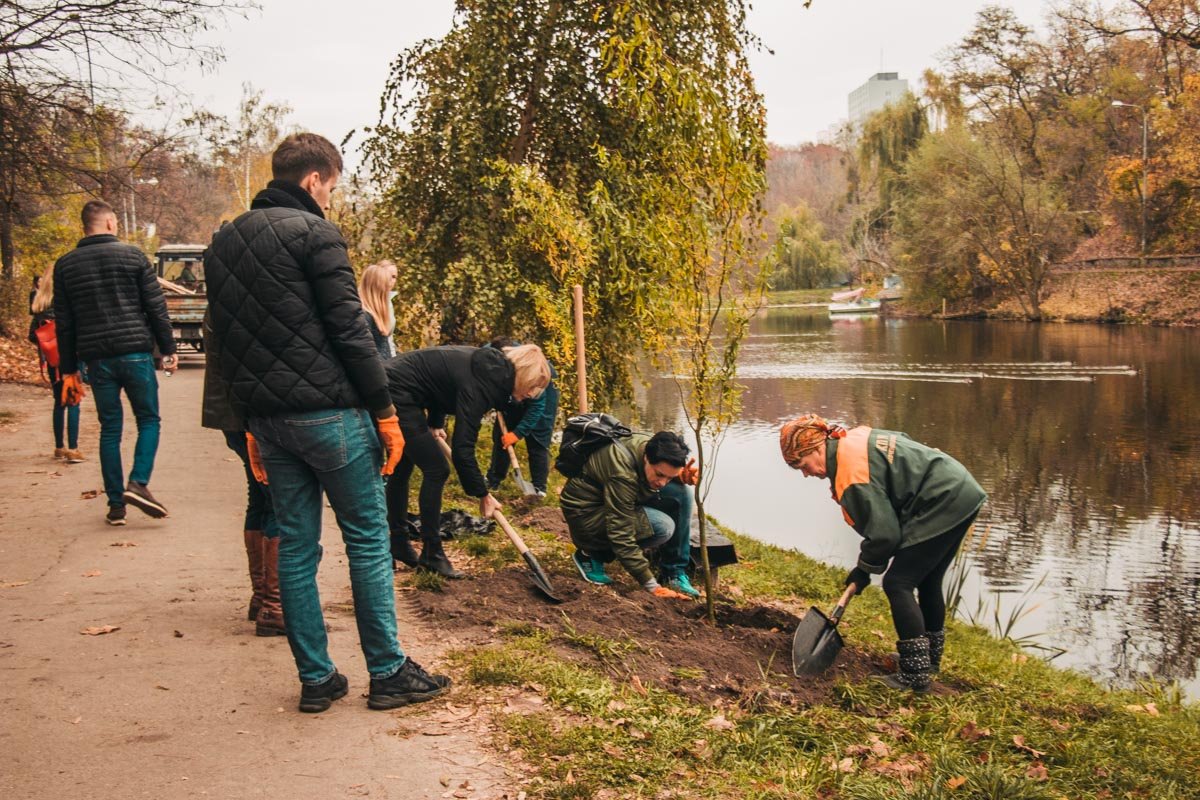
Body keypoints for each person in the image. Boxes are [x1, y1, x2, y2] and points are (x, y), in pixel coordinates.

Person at [204, 132, 449, 713]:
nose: (332, 201)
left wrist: (245, 427)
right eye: (333, 188)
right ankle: (388, 673)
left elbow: (225, 343)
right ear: (314, 179)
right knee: (366, 541)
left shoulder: (224, 242)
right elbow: (350, 333)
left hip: (269, 420)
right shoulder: (315, 234)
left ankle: (317, 680)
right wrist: (387, 414)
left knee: (295, 547)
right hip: (331, 415)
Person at [779, 413, 987, 693]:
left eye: (803, 465)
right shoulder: (850, 440)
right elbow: (902, 447)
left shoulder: (851, 476)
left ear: (817, 448)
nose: (807, 474)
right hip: (961, 489)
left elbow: (886, 536)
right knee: (927, 580)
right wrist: (866, 566)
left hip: (942, 498)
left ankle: (915, 675)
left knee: (898, 583)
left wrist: (863, 570)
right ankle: (928, 661)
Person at [53, 199, 176, 526]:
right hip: (135, 353)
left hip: (97, 359)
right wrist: (167, 348)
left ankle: (115, 505)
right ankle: (138, 483)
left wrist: (68, 370)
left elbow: (64, 323)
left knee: (111, 427)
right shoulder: (133, 256)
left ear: (84, 226)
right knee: (149, 419)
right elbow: (156, 307)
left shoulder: (66, 266)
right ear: (109, 223)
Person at [383, 343, 551, 578]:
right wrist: (483, 494)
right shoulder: (483, 385)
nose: (532, 394)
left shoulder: (488, 369)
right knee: (437, 469)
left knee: (403, 467)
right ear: (522, 376)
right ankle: (432, 553)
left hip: (398, 387)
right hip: (395, 392)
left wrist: (435, 422)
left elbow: (440, 385)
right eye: (533, 386)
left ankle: (398, 542)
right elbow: (463, 449)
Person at [200, 316, 285, 637]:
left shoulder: (224, 291)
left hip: (232, 413)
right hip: (252, 414)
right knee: (277, 499)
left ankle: (262, 598)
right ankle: (275, 606)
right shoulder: (247, 295)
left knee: (260, 495)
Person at [560, 429, 700, 599]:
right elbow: (621, 533)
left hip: (610, 495)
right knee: (662, 526)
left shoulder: (652, 447)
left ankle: (674, 572)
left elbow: (657, 476)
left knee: (681, 493)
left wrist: (678, 477)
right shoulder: (622, 474)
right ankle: (592, 553)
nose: (663, 483)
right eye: (660, 475)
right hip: (586, 513)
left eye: (668, 477)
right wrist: (652, 587)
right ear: (647, 458)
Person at [485, 338, 559, 498]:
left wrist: (518, 433)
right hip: (514, 391)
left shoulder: (535, 374)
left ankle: (539, 489)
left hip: (542, 393)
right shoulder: (489, 356)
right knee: (502, 438)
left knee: (538, 440)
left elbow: (536, 408)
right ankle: (494, 480)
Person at [28, 266, 83, 463]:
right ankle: (74, 449)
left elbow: (32, 335)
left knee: (59, 401)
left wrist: (48, 344)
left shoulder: (40, 305)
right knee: (73, 401)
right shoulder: (68, 301)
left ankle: (59, 447)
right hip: (71, 356)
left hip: (52, 360)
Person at [357, 260, 398, 360]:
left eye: (394, 277)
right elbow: (367, 353)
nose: (391, 281)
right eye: (388, 277)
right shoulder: (364, 315)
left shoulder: (385, 306)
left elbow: (387, 341)